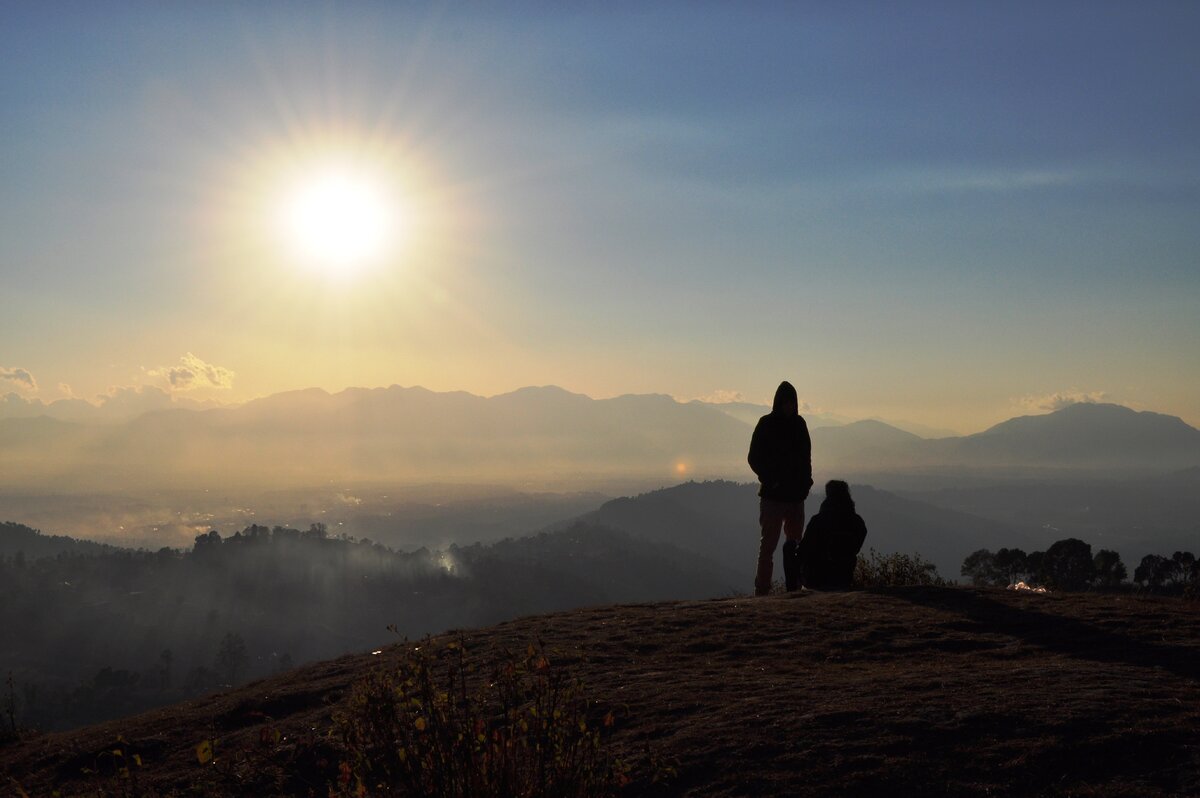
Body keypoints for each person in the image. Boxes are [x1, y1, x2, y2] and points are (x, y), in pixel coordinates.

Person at [747, 381, 813, 595]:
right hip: (773, 497)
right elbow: (753, 458)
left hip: (794, 497)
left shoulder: (799, 425)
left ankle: (794, 588)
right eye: (786, 402)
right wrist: (770, 480)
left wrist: (806, 484)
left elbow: (806, 459)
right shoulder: (766, 424)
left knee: (795, 546)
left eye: (792, 402)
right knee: (768, 547)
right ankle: (763, 590)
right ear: (779, 402)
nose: (789, 406)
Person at [799, 480, 868, 590]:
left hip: (815, 579)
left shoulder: (817, 520)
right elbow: (856, 547)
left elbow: (804, 549)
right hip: (843, 577)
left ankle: (792, 590)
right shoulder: (857, 522)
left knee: (788, 548)